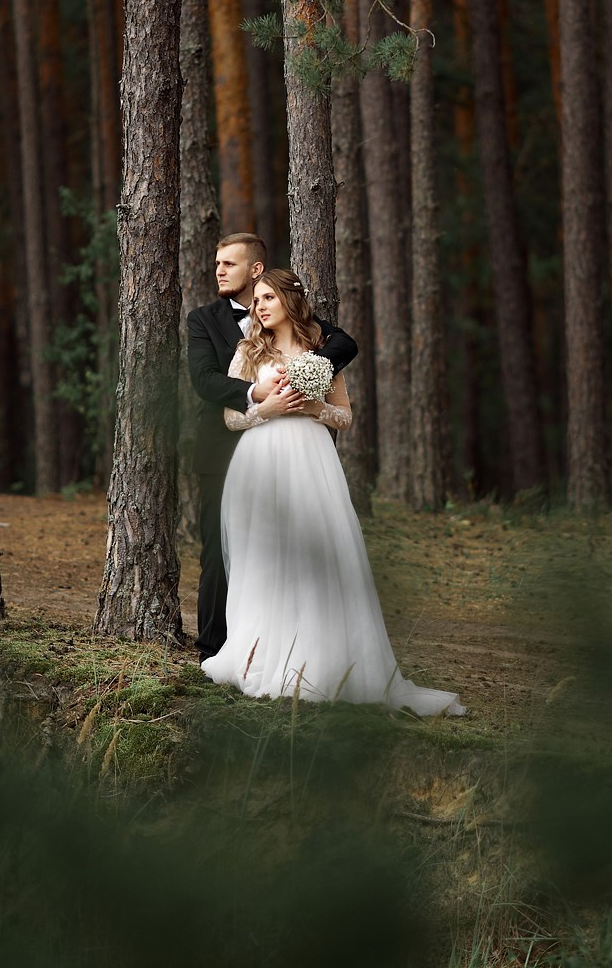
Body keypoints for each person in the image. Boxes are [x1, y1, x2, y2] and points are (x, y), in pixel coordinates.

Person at [200, 268, 464, 717]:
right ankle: (259, 656)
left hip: (309, 460)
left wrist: (314, 406)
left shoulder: (321, 352)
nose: (260, 306)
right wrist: (266, 408)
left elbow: (344, 417)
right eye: (256, 299)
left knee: (317, 553)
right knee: (263, 557)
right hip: (258, 461)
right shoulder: (247, 351)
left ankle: (316, 662)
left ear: (289, 300)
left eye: (268, 297)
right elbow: (231, 418)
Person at [184, 234, 356, 660]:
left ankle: (310, 651)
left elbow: (344, 347)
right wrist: (262, 399)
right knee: (224, 554)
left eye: (229, 264)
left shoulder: (318, 338)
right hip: (233, 452)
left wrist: (312, 390)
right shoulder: (205, 320)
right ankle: (217, 649)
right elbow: (205, 382)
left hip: (305, 458)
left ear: (256, 269)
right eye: (217, 263)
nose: (219, 270)